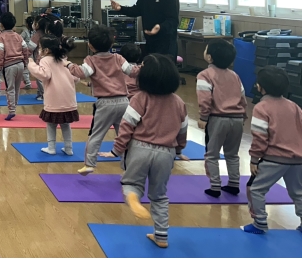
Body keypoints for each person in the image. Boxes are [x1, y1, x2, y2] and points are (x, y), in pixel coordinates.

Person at [100, 54, 188, 250]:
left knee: (132, 182)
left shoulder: (140, 99)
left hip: (140, 148)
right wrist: (179, 149)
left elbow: (126, 127)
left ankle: (133, 196)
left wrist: (116, 150)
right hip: (166, 152)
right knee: (159, 195)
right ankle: (162, 235)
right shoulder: (179, 102)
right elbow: (183, 130)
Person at [67, 25, 139, 175]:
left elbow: (81, 73)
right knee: (125, 135)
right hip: (124, 102)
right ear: (112, 44)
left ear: (90, 45)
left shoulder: (91, 60)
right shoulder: (118, 58)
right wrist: (144, 67)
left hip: (105, 103)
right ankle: (128, 168)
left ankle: (89, 164)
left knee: (96, 135)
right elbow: (132, 72)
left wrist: (68, 64)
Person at [241, 66, 302, 235]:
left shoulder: (262, 107)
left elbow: (260, 137)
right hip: (298, 159)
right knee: (298, 192)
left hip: (274, 158)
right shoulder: (294, 106)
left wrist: (254, 159)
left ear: (260, 87)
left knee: (255, 189)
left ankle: (259, 222)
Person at [197, 40, 247, 198]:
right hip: (237, 118)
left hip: (217, 118)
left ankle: (215, 186)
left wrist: (203, 117)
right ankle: (234, 184)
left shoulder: (205, 75)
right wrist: (243, 115)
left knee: (212, 154)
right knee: (232, 154)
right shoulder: (235, 76)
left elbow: (205, 99)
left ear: (209, 57)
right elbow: (243, 98)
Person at [28, 34, 79, 155]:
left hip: (54, 98)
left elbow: (44, 75)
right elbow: (75, 77)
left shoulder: (45, 60)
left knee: (51, 124)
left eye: (40, 47)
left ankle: (51, 148)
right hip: (68, 98)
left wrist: (31, 64)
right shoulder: (64, 59)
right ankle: (69, 148)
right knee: (66, 124)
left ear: (45, 50)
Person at [0, 12, 31, 120]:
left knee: (10, 88)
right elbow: (25, 50)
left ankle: (12, 110)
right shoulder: (18, 36)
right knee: (17, 88)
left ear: (1, 25)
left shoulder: (0, 37)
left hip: (9, 66)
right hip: (20, 64)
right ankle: (14, 107)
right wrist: (25, 62)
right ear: (14, 25)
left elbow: (0, 54)